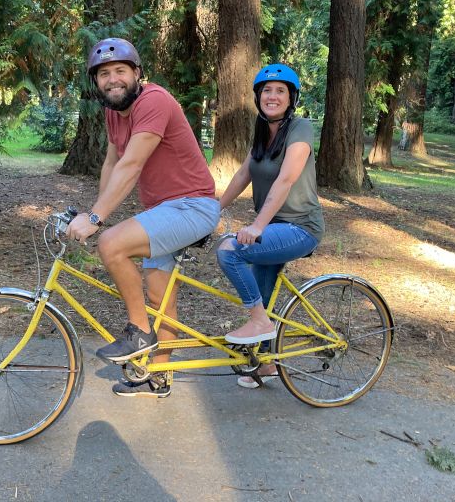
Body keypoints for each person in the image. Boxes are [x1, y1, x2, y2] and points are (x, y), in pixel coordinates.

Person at [66, 37, 220, 398]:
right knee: (159, 298)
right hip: (163, 210)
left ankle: (138, 332)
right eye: (104, 74)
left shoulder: (154, 101)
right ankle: (160, 375)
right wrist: (96, 208)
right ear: (96, 81)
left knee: (112, 243)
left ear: (137, 73)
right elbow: (112, 162)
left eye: (120, 70)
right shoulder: (113, 111)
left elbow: (133, 163)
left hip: (193, 206)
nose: (112, 79)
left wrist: (97, 220)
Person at [217, 64, 324, 388]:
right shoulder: (263, 130)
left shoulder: (300, 128)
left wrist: (257, 225)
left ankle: (260, 323)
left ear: (291, 98)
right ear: (258, 97)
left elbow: (287, 177)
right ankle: (266, 364)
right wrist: (213, 209)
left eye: (280, 90)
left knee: (230, 251)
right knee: (262, 294)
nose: (272, 96)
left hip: (299, 228)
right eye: (266, 90)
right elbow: (242, 175)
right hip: (273, 229)